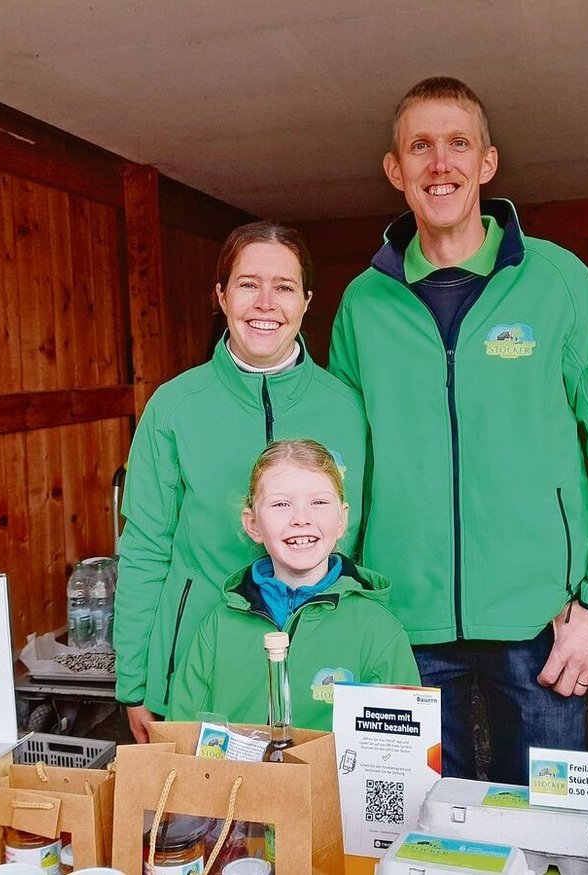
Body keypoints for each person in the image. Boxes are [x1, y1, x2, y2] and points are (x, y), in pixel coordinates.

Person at [328, 77, 588, 782]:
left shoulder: (556, 281)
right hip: (401, 620)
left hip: (542, 619)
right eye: (420, 146)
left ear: (487, 163)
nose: (439, 163)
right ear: (396, 170)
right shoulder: (362, 305)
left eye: (458, 144)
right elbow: (340, 467)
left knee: (548, 833)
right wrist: (342, 600)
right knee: (413, 831)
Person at [114, 223, 369, 743]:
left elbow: (360, 540)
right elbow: (144, 549)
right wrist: (134, 683)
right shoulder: (174, 406)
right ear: (222, 296)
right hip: (193, 669)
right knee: (203, 821)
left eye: (285, 286)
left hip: (318, 671)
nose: (266, 302)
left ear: (306, 302)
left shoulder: (346, 407)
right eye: (248, 284)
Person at [169, 440, 419, 730]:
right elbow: (180, 737)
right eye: (281, 504)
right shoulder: (218, 627)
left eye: (319, 503)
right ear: (253, 524)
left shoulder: (379, 632)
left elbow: (400, 754)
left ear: (342, 519)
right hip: (236, 777)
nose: (301, 519)